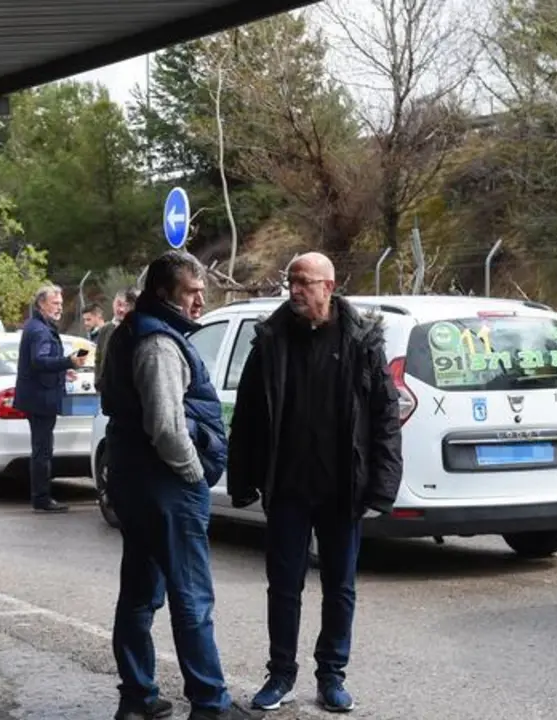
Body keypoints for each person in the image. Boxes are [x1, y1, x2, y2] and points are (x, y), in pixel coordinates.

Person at [228, 252, 403, 714]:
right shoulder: (271, 340)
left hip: (342, 488)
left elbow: (385, 416)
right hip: (287, 488)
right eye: (291, 281)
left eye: (304, 282)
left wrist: (382, 486)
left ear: (329, 286)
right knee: (283, 586)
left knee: (340, 587)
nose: (295, 290)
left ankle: (332, 676)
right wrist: (242, 480)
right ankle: (281, 674)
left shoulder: (362, 341)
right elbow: (247, 416)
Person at [102, 251, 246, 720]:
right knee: (191, 598)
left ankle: (138, 697)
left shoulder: (136, 330)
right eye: (191, 292)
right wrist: (194, 474)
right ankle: (209, 703)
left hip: (136, 480)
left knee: (140, 592)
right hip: (165, 485)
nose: (200, 301)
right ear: (164, 293)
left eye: (203, 291)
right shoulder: (159, 344)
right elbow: (165, 426)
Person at [14, 284, 86, 513]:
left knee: (42, 448)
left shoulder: (38, 326)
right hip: (41, 399)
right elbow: (39, 361)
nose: (59, 308)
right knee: (42, 450)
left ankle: (41, 497)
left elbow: (41, 363)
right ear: (41, 304)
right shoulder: (39, 330)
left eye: (61, 303)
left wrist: (63, 370)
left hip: (41, 396)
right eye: (55, 303)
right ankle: (42, 498)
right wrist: (68, 362)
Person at [94, 288, 138, 395]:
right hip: (108, 390)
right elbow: (98, 357)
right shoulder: (105, 329)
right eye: (119, 304)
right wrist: (98, 381)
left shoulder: (136, 329)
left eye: (126, 305)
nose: (121, 309)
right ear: (113, 304)